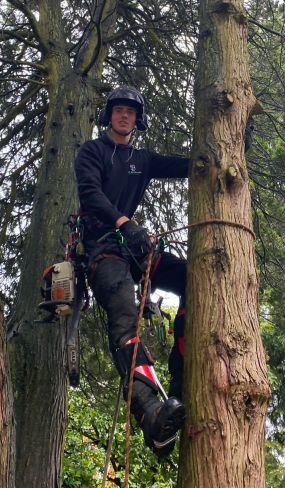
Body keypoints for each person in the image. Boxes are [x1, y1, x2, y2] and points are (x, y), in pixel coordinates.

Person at [75, 86, 189, 458]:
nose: (124, 116)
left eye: (131, 112)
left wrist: (234, 151)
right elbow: (91, 194)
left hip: (134, 249)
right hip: (104, 250)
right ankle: (150, 413)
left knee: (190, 278)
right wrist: (124, 223)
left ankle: (181, 385)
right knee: (125, 321)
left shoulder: (142, 159)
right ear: (108, 116)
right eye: (119, 110)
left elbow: (188, 165)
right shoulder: (92, 152)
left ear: (138, 120)